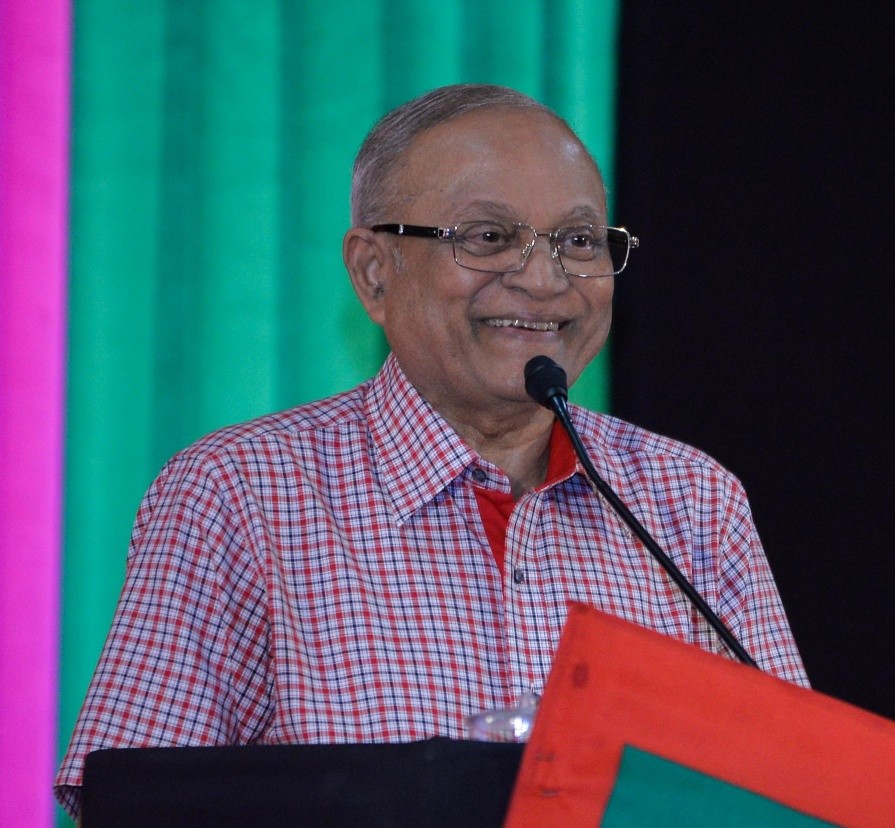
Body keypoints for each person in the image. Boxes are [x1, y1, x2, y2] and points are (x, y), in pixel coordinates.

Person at [54, 83, 808, 819]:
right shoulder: (238, 494)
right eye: (488, 237)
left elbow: (799, 797)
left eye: (578, 241)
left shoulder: (692, 500)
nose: (544, 279)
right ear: (374, 273)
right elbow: (137, 808)